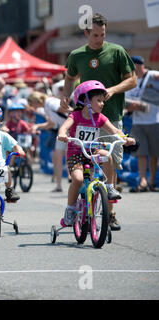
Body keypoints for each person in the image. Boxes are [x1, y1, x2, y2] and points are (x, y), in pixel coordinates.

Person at [60, 13, 137, 230]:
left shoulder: (117, 51)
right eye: (95, 35)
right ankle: (84, 206)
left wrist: (112, 89)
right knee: (86, 166)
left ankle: (109, 213)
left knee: (110, 160)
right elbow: (69, 77)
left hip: (110, 115)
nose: (99, 39)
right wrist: (65, 96)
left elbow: (132, 79)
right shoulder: (77, 55)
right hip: (85, 119)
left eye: (102, 35)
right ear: (86, 33)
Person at [57, 81, 135, 226]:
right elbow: (64, 128)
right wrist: (62, 134)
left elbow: (115, 131)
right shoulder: (75, 115)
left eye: (103, 100)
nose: (102, 104)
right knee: (78, 179)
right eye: (98, 100)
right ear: (86, 101)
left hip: (92, 151)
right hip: (76, 153)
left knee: (107, 155)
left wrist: (125, 138)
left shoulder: (100, 117)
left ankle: (110, 187)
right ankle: (70, 208)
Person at [125, 56, 159, 192]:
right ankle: (143, 180)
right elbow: (126, 104)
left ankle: (151, 182)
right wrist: (133, 106)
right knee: (141, 153)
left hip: (154, 120)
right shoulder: (131, 83)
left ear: (138, 65)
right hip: (138, 122)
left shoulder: (151, 75)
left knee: (154, 154)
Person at [28, 91, 69, 192]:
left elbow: (63, 110)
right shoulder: (46, 106)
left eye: (31, 104)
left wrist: (74, 111)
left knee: (66, 156)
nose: (32, 107)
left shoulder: (49, 102)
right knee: (57, 157)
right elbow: (51, 124)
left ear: (35, 101)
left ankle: (73, 179)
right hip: (64, 130)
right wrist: (37, 126)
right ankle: (59, 185)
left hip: (70, 128)